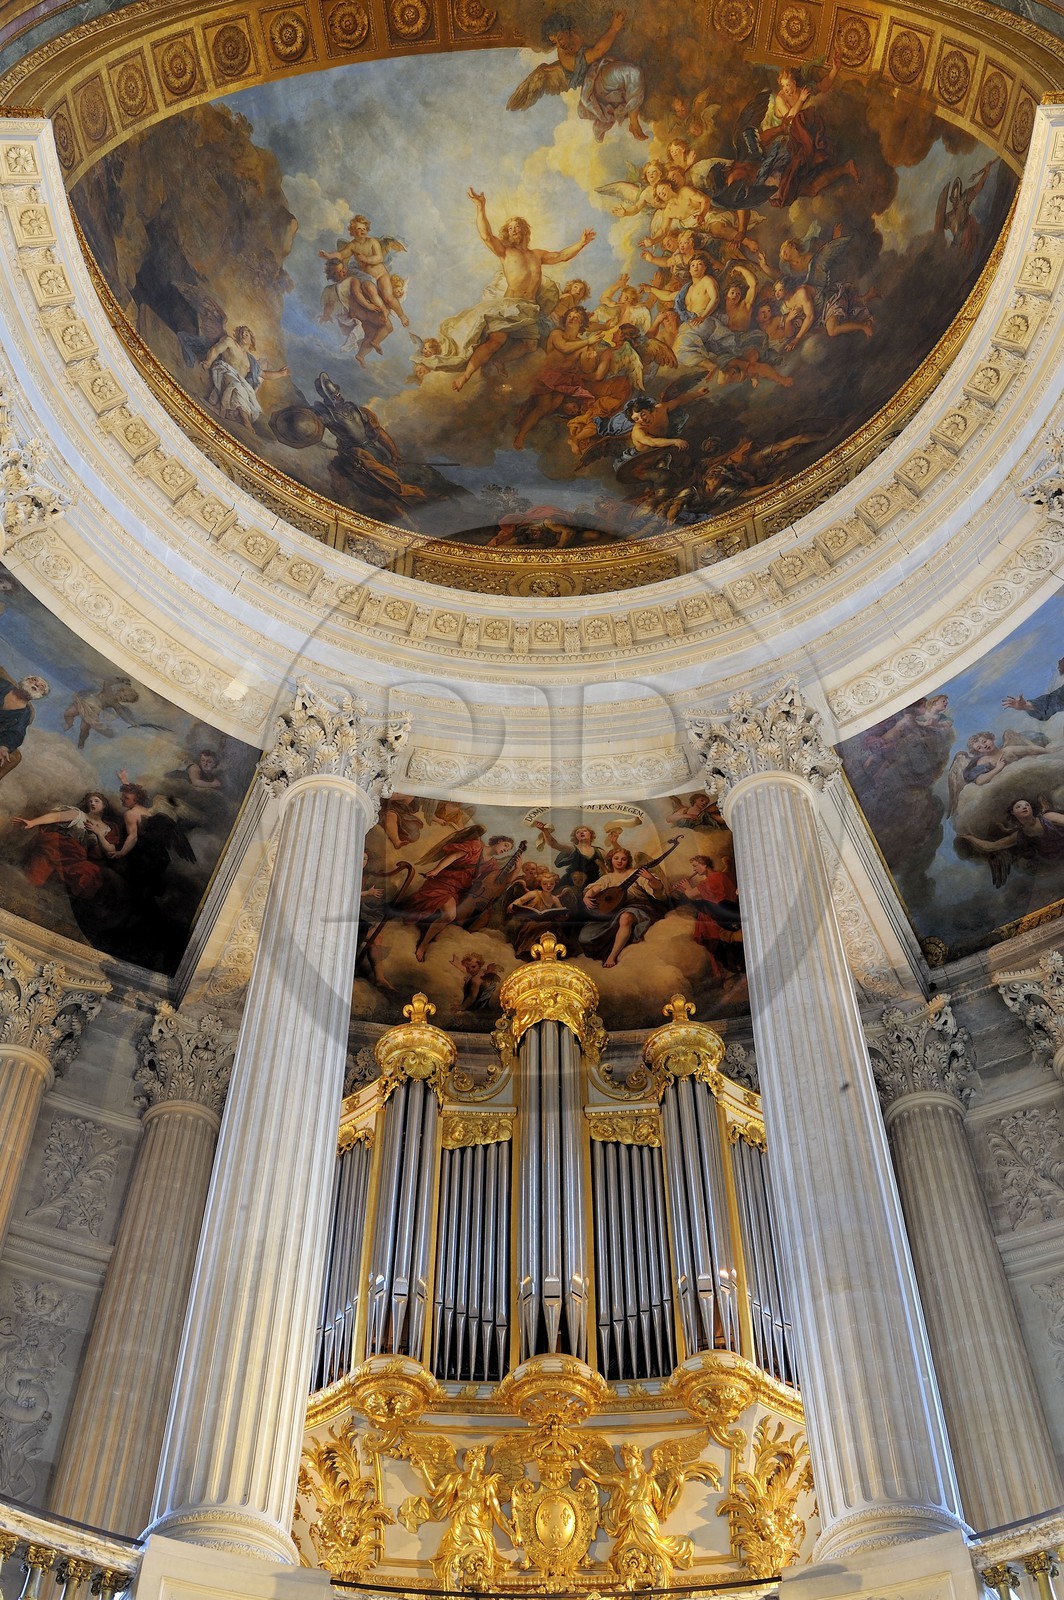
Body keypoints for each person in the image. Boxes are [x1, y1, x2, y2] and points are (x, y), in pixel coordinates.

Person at [450, 192, 595, 393]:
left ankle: (500, 361)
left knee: (530, 345)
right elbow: (486, 235)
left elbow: (561, 255)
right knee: (496, 340)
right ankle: (465, 375)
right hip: (509, 305)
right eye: (510, 228)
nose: (514, 230)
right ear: (507, 234)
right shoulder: (505, 252)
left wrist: (581, 243)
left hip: (529, 307)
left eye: (517, 227)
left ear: (525, 231)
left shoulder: (537, 254)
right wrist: (480, 206)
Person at [508, 11, 647, 142]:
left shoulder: (578, 30)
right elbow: (598, 51)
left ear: (566, 29)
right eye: (555, 42)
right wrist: (614, 28)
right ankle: (633, 122)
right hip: (596, 81)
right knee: (634, 73)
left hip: (605, 67)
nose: (559, 44)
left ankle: (603, 126)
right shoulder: (566, 59)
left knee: (634, 74)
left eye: (559, 38)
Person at [579, 845, 667, 967]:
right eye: (616, 858)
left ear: (628, 861)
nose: (620, 861)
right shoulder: (607, 878)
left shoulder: (636, 873)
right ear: (611, 860)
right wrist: (586, 897)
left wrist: (651, 878)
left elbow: (658, 889)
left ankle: (612, 957)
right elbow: (594, 889)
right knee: (585, 936)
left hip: (639, 907)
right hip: (613, 910)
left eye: (623, 859)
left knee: (626, 917)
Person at [319, 215, 409, 328]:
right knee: (369, 294)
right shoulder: (352, 245)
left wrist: (366, 259)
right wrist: (328, 255)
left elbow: (379, 258)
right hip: (367, 277)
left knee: (388, 297)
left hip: (381, 274)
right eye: (359, 229)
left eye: (364, 229)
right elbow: (341, 255)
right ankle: (382, 313)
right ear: (352, 232)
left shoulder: (372, 242)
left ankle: (402, 315)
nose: (362, 231)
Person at [202, 326, 288, 430]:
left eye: (246, 334)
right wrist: (209, 361)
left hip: (237, 381)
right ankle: (246, 422)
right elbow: (215, 350)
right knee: (237, 386)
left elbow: (264, 374)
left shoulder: (250, 361)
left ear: (251, 341)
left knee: (242, 388)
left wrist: (281, 373)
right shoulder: (230, 342)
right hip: (223, 371)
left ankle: (233, 414)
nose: (243, 335)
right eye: (241, 333)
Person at [0, 668, 48, 782]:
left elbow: (16, 733)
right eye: (34, 680)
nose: (36, 685)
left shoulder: (26, 713)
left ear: (40, 695)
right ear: (25, 680)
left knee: (14, 758)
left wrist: (4, 747)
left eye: (41, 687)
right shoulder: (3, 684)